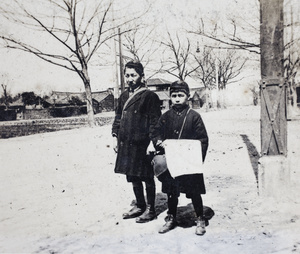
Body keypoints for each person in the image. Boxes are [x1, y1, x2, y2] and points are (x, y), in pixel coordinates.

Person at [152, 80, 209, 235]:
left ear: (188, 96)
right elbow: (156, 133)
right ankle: (171, 217)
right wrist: (159, 142)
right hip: (172, 162)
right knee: (171, 191)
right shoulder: (165, 117)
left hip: (189, 162)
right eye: (174, 95)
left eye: (180, 95)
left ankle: (200, 217)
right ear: (170, 97)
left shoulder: (194, 117)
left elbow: (203, 139)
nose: (177, 98)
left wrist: (196, 159)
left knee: (194, 191)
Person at [112, 60, 161, 223]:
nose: (129, 78)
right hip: (126, 142)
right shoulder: (124, 96)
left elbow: (155, 122)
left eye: (133, 75)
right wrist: (114, 137)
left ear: (142, 76)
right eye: (127, 75)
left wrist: (152, 143)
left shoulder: (150, 96)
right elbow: (118, 117)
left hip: (143, 144)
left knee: (146, 176)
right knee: (132, 175)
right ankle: (140, 205)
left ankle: (151, 209)